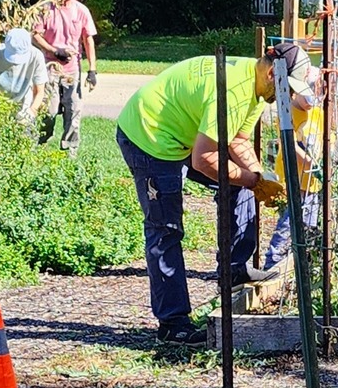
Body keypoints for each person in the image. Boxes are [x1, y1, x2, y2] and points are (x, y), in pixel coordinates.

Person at [116, 43, 311, 346]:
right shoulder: (234, 92)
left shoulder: (258, 89)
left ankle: (234, 269)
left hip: (184, 134)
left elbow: (237, 139)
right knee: (165, 228)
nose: (287, 96)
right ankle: (173, 324)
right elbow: (204, 159)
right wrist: (254, 181)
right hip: (149, 135)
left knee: (239, 182)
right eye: (289, 87)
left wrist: (261, 177)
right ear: (274, 73)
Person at [31, 0, 97, 156]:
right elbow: (36, 35)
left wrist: (93, 70)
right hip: (49, 67)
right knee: (48, 112)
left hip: (72, 69)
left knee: (73, 110)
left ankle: (70, 151)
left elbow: (88, 39)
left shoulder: (81, 11)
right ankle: (40, 144)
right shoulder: (46, 8)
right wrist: (54, 51)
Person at [263, 71, 324, 269]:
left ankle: (301, 264)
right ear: (295, 91)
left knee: (309, 225)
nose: (310, 101)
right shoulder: (288, 113)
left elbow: (326, 138)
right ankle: (273, 264)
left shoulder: (318, 113)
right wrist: (309, 162)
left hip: (313, 182)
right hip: (294, 179)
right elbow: (290, 144)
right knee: (288, 224)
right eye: (306, 95)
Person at [0, 28, 48, 127]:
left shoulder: (36, 57)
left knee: (27, 137)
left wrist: (32, 111)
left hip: (23, 106)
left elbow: (39, 91)